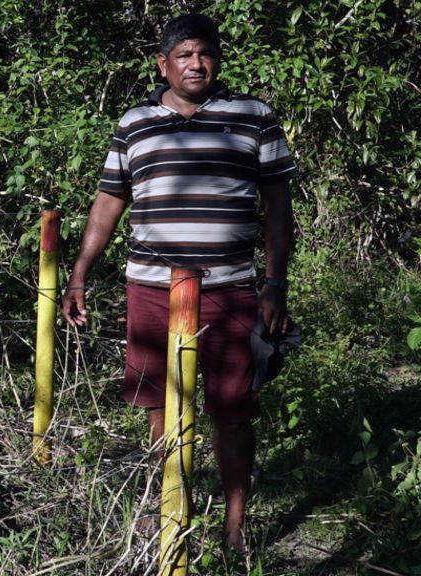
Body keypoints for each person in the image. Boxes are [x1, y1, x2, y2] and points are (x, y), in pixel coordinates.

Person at [61, 13, 296, 552]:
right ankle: (172, 516)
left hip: (231, 288)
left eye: (205, 53)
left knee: (233, 410)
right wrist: (79, 273)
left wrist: (274, 283)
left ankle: (235, 527)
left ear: (217, 59)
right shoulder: (135, 123)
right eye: (184, 55)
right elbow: (108, 202)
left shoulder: (253, 117)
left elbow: (277, 207)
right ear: (163, 64)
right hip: (151, 288)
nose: (196, 63)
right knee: (161, 407)